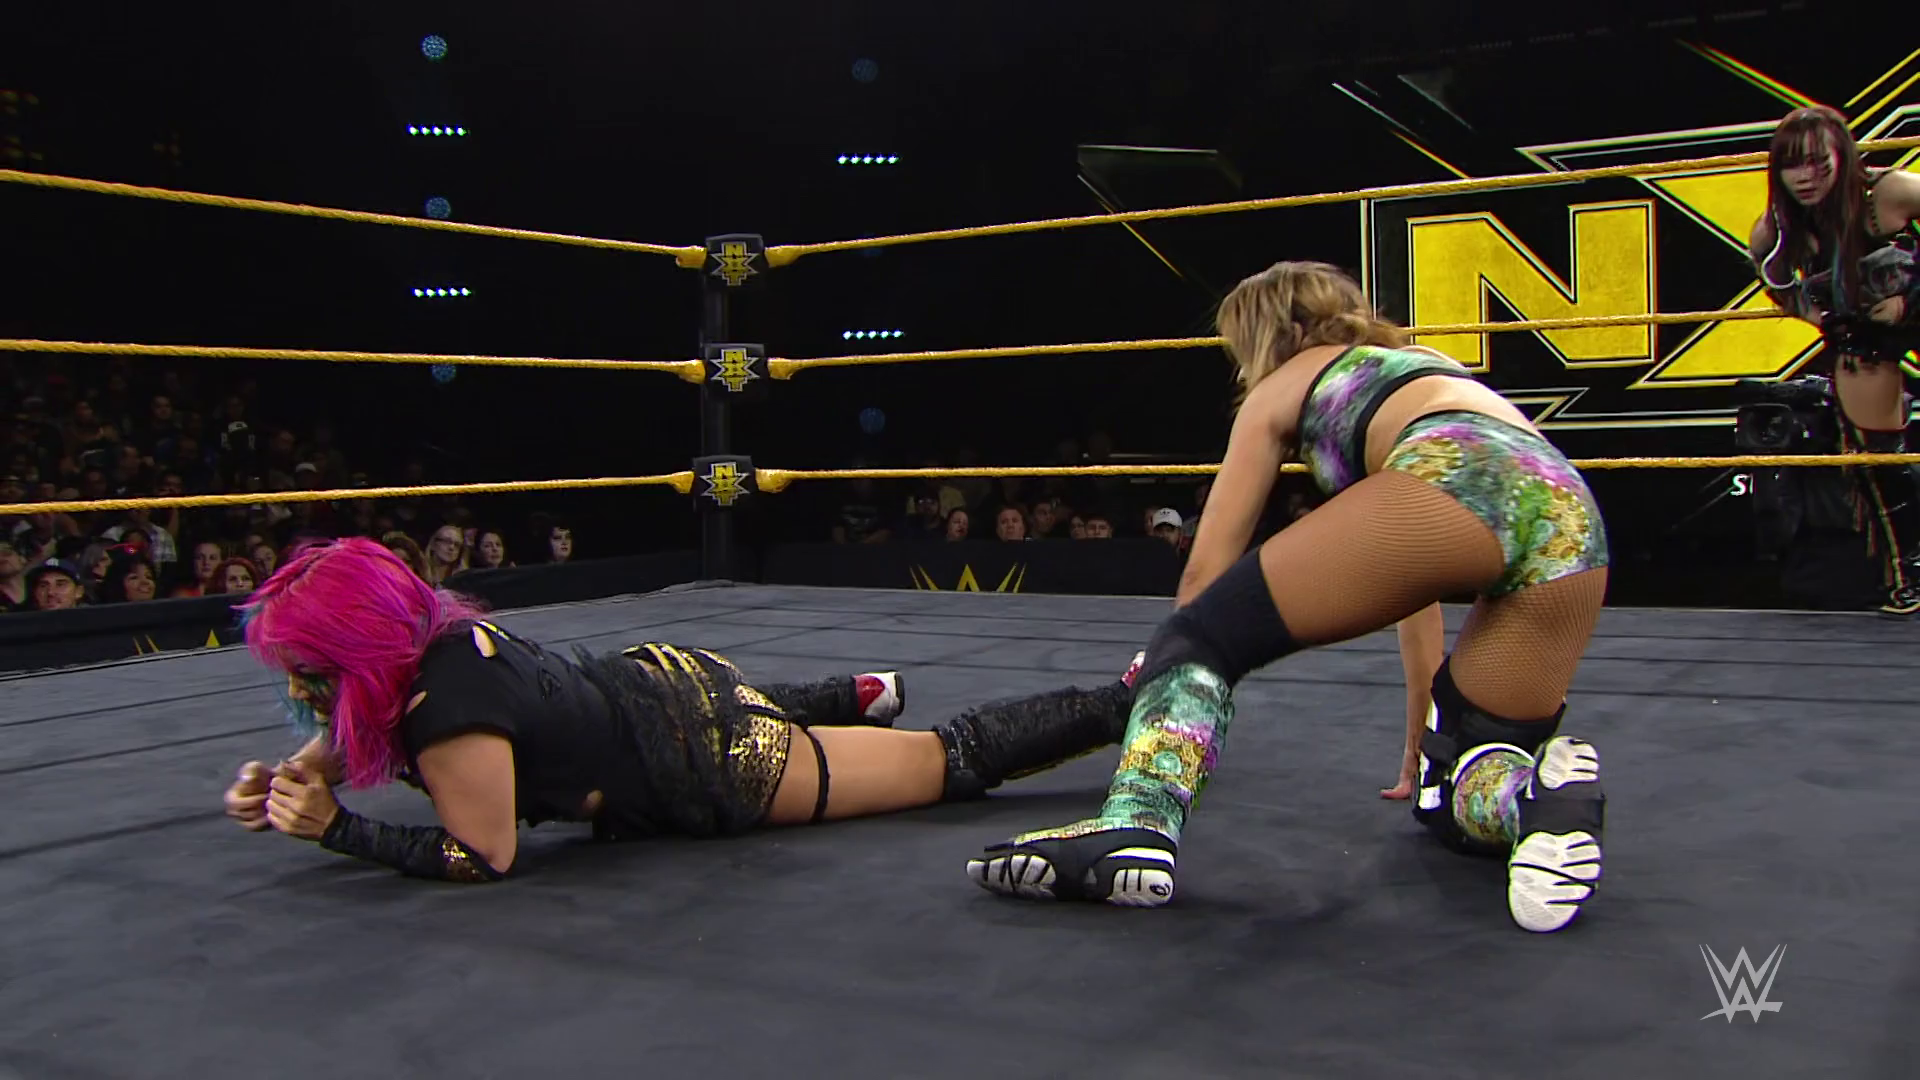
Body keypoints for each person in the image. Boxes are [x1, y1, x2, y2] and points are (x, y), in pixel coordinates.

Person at [967, 261, 1609, 933]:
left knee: (1197, 635)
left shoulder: (1285, 385)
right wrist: (1421, 741)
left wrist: (1167, 680)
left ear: (1266, 333)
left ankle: (1135, 822)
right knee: (1454, 781)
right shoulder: (1417, 367)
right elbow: (1414, 580)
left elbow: (1205, 572)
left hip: (1457, 470)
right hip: (1570, 518)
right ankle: (1536, 800)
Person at [221, 538, 1140, 882]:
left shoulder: (448, 723)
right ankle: (855, 694)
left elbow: (482, 854)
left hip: (713, 760)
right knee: (796, 719)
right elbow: (370, 716)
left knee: (945, 761)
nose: (302, 693)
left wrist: (337, 828)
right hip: (664, 683)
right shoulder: (441, 640)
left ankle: (1121, 701)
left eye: (311, 673)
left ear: (355, 658)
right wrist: (303, 771)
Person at [1749, 105, 1920, 617]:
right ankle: (1911, 574)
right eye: (1792, 165)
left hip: (1909, 303)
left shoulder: (1887, 193)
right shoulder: (1779, 229)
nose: (1806, 176)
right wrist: (1820, 314)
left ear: (1841, 156)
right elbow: (1774, 279)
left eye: (1817, 162)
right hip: (1868, 335)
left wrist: (1911, 297)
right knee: (1875, 459)